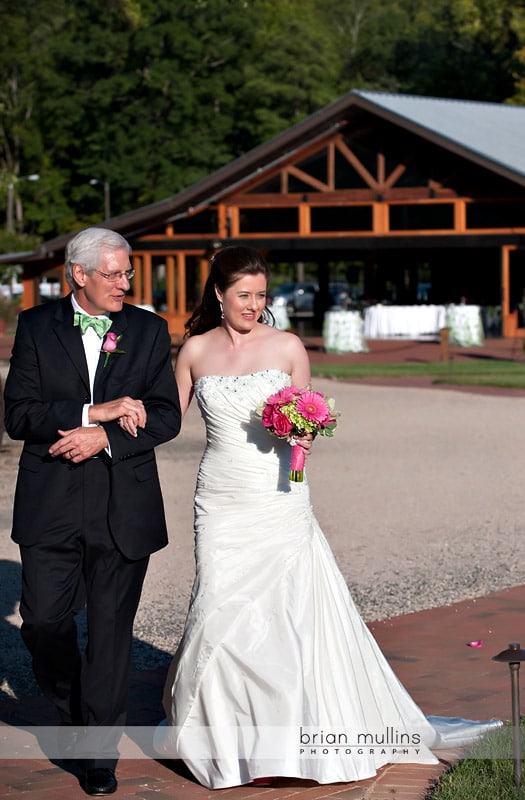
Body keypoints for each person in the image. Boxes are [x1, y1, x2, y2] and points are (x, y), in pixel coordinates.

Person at [154, 245, 499, 789]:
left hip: (279, 495)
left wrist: (305, 429)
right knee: (219, 607)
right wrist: (113, 414)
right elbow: (166, 420)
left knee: (288, 611)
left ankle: (290, 742)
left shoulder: (288, 346)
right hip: (220, 497)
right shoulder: (194, 350)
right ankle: (230, 742)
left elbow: (304, 415)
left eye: (261, 295)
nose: (253, 304)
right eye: (242, 295)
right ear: (218, 294)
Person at [3, 227, 181, 796]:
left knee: (110, 631)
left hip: (122, 502)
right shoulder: (34, 326)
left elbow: (165, 416)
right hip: (50, 499)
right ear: (78, 274)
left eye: (128, 273)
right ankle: (76, 708)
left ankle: (99, 754)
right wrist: (91, 411)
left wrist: (103, 438)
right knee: (44, 621)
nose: (125, 283)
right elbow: (19, 415)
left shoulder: (149, 330)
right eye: (114, 273)